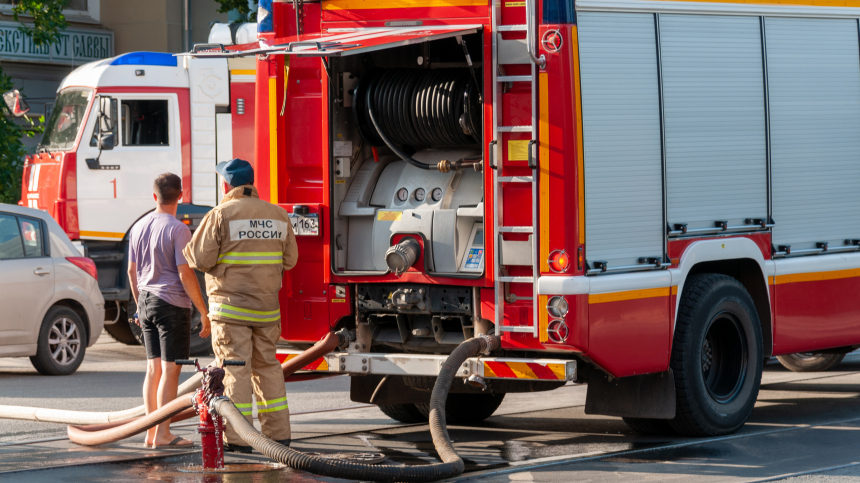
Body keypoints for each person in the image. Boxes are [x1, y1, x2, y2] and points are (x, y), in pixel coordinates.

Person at [183, 159, 297, 453]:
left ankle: (239, 439)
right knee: (269, 368)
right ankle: (279, 437)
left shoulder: (220, 215)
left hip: (230, 311)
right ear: (251, 183)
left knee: (235, 371)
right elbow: (290, 260)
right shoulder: (278, 215)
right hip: (267, 310)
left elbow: (197, 259)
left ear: (226, 185)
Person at [128, 173, 212, 448]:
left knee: (153, 370)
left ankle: (150, 433)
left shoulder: (138, 227)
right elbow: (185, 274)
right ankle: (163, 433)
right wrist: (203, 310)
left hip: (147, 302)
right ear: (181, 195)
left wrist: (140, 304)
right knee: (171, 371)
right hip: (172, 306)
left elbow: (132, 271)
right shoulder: (178, 229)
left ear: (154, 196)